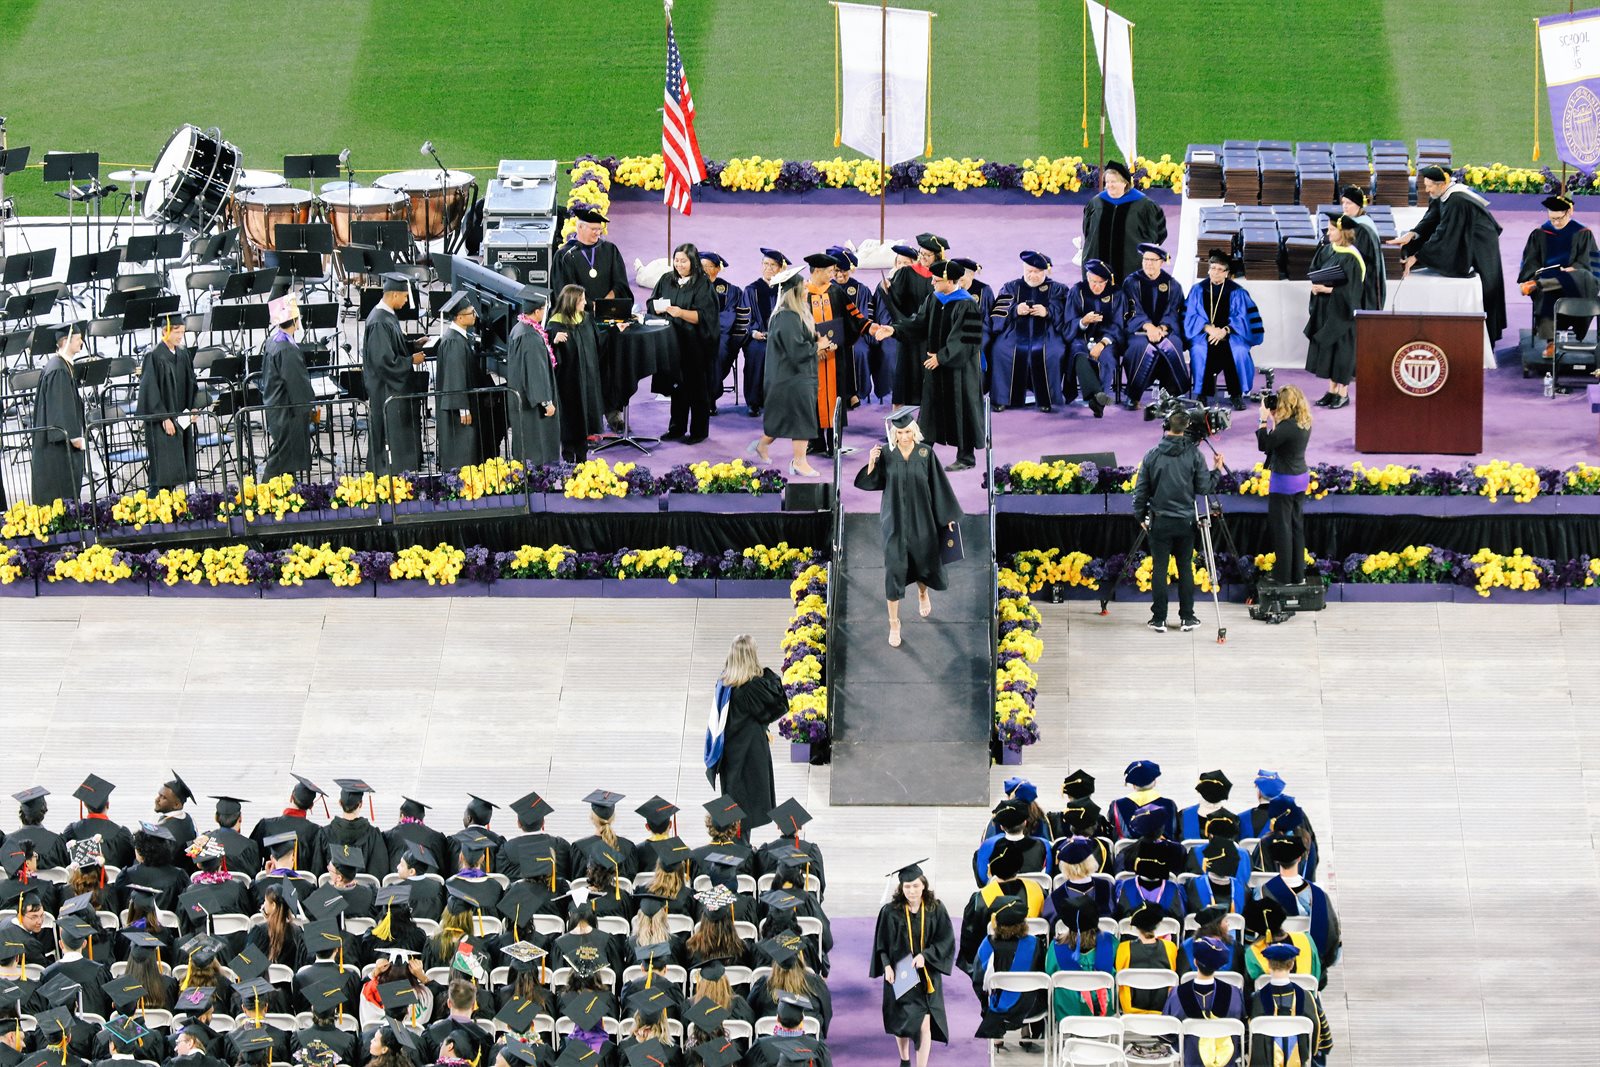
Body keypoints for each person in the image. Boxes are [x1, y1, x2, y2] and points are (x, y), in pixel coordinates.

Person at [853, 408, 963, 647]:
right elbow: (873, 482)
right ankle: (894, 623)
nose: (904, 436)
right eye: (900, 432)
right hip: (894, 522)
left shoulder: (926, 454)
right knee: (894, 570)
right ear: (894, 434)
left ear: (914, 431)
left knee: (922, 562)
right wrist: (872, 461)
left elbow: (938, 486)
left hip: (922, 519)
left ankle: (923, 593)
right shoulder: (887, 454)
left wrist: (948, 517)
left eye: (908, 431)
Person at [875, 260, 984, 469]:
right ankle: (923, 450)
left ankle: (966, 457)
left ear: (950, 281)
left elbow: (966, 339)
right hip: (936, 365)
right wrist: (895, 330)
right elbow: (918, 323)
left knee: (961, 408)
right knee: (931, 407)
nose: (932, 282)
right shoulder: (934, 298)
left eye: (936, 279)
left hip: (960, 370)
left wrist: (941, 357)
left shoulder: (967, 304)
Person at [1391, 164, 1506, 344]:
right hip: (1467, 234)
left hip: (1480, 244)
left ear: (1442, 184)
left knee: (1486, 285)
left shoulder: (1457, 201)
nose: (1426, 190)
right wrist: (1412, 234)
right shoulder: (1442, 195)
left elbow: (1444, 235)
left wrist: (1417, 257)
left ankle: (1486, 336)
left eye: (1430, 186)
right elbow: (1431, 219)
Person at [1132, 410, 1223, 633]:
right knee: (1185, 569)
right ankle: (1187, 618)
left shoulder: (1152, 454)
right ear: (1186, 428)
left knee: (1160, 570)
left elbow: (1141, 490)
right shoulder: (1194, 454)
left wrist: (1140, 515)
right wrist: (1217, 470)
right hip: (1185, 523)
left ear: (1166, 426)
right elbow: (1204, 488)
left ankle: (1159, 619)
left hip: (1159, 522)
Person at [870, 860, 954, 1067]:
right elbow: (882, 943)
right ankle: (905, 1059)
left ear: (924, 885)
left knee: (925, 1024)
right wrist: (886, 966)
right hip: (901, 973)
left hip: (927, 975)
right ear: (901, 888)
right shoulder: (890, 912)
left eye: (916, 885)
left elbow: (946, 939)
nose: (912, 891)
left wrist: (927, 955)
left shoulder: (936, 908)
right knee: (902, 1022)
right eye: (907, 887)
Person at [705, 634, 787, 838]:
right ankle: (742, 853)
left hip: (730, 755)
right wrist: (763, 672)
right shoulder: (753, 687)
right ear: (752, 656)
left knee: (733, 805)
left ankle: (733, 848)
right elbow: (777, 704)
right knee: (746, 809)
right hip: (750, 754)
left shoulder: (724, 683)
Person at [750, 264, 822, 476]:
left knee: (782, 418)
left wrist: (816, 340)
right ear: (795, 292)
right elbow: (796, 351)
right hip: (791, 378)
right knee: (801, 419)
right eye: (804, 287)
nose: (807, 290)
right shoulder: (787, 316)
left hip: (792, 376)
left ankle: (761, 445)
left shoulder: (792, 314)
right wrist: (819, 346)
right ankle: (799, 462)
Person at [650, 242, 721, 444]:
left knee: (697, 389)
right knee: (677, 387)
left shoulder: (702, 284)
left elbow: (705, 316)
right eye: (677, 260)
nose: (679, 264)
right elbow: (651, 302)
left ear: (693, 262)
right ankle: (676, 428)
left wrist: (680, 312)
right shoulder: (667, 279)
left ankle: (698, 432)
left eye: (684, 261)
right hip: (672, 343)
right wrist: (658, 307)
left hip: (696, 345)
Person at [799, 251, 868, 457]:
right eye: (829, 271)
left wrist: (845, 341)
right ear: (818, 271)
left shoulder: (836, 293)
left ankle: (834, 443)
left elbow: (854, 318)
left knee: (835, 398)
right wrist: (812, 347)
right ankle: (817, 441)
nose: (832, 275)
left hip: (835, 358)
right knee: (813, 398)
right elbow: (794, 326)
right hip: (811, 358)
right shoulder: (801, 294)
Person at [1517, 192, 1600, 358]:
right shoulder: (1540, 233)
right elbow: (1531, 261)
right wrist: (1534, 275)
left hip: (1578, 281)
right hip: (1548, 277)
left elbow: (1590, 265)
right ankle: (1551, 343)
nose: (1555, 222)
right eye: (1552, 218)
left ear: (1569, 212)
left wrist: (1574, 268)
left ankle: (1539, 284)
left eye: (1559, 218)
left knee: (1581, 275)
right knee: (1547, 293)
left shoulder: (1583, 232)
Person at [989, 250, 1070, 412]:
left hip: (1048, 333)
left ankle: (1046, 399)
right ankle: (1002, 398)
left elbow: (1067, 314)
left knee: (1053, 352)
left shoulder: (1057, 289)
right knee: (1001, 350)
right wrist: (1015, 310)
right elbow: (997, 314)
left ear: (1045, 271)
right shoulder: (1011, 287)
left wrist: (1048, 312)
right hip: (1014, 332)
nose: (1032, 276)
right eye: (1029, 271)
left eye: (1037, 272)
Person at [1185, 250, 1261, 411]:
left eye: (1220, 269)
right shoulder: (1197, 290)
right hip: (1203, 333)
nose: (1216, 272)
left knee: (1239, 351)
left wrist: (1224, 331)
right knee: (1198, 350)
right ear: (1208, 269)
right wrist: (1208, 329)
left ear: (1227, 273)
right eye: (1213, 268)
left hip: (1231, 334)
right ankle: (1201, 393)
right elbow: (1190, 315)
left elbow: (1243, 318)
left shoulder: (1237, 291)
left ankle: (1236, 394)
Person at [363, 273, 424, 475]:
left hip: (390, 386)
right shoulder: (379, 321)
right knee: (389, 433)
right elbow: (383, 361)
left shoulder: (386, 315)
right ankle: (387, 472)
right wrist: (410, 361)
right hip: (385, 388)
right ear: (395, 295)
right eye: (405, 296)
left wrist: (413, 345)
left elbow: (391, 348)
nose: (407, 300)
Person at [1305, 214, 1364, 409]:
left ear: (1343, 232)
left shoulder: (1352, 257)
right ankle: (1331, 391)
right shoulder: (1327, 250)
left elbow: (1353, 291)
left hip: (1342, 313)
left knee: (1342, 352)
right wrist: (1315, 287)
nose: (1328, 233)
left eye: (1331, 230)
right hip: (1326, 309)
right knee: (1329, 351)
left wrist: (1327, 290)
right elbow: (1316, 271)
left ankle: (1343, 393)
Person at [1121, 243, 1190, 409]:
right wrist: (1148, 327)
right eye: (1145, 259)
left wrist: (1162, 328)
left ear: (1162, 262)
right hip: (1137, 332)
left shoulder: (1172, 285)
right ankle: (1134, 395)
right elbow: (1131, 310)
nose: (1148, 264)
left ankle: (1173, 394)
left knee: (1172, 344)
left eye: (1153, 260)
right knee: (1141, 348)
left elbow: (1174, 312)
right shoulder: (1131, 282)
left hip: (1165, 331)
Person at [1256, 385, 1313, 584]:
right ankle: (1298, 576)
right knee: (1296, 526)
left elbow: (1265, 444)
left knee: (1282, 529)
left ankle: (1283, 577)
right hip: (1300, 477)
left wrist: (1263, 420)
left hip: (1284, 481)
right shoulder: (1303, 422)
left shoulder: (1286, 427)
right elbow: (1281, 440)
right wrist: (1275, 420)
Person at [969, 895, 1045, 1044]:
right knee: (1031, 987)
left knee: (989, 989)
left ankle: (998, 1034)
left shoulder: (988, 943)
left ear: (996, 922)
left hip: (998, 1008)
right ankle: (1026, 1028)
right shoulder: (1035, 944)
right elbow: (1042, 974)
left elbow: (978, 978)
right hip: (1033, 1007)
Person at [137, 313, 200, 490]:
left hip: (182, 416)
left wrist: (194, 407)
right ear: (165, 331)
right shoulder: (154, 355)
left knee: (183, 460)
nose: (180, 336)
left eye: (183, 332)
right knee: (165, 467)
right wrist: (164, 417)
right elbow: (150, 389)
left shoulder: (183, 353)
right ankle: (159, 504)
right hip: (162, 423)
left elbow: (191, 382)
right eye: (177, 332)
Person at [1163, 935, 1245, 1067]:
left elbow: (1168, 1033)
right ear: (1218, 966)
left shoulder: (1177, 993)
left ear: (1195, 962)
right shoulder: (1234, 993)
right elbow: (1241, 1027)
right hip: (1226, 1059)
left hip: (1190, 1059)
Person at [1082, 159, 1168, 284]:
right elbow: (1088, 231)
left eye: (1114, 182)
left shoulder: (1144, 205)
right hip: (1099, 265)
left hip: (1131, 266)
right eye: (1107, 182)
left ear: (1125, 183)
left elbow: (1158, 234)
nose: (1109, 185)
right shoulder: (1096, 203)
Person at [30, 323, 88, 505]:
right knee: (59, 496)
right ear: (65, 341)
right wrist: (73, 437)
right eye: (78, 339)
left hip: (57, 446)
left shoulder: (61, 365)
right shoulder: (58, 370)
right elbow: (60, 407)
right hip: (56, 448)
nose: (82, 342)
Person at [547, 284, 606, 463]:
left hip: (588, 379)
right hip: (568, 382)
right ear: (572, 302)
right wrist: (553, 340)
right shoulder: (556, 324)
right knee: (570, 418)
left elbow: (599, 342)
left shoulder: (586, 319)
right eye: (582, 300)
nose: (585, 303)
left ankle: (582, 455)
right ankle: (568, 456)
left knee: (585, 417)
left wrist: (614, 332)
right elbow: (546, 351)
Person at [1248, 943, 1333, 1066]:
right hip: (1299, 1058)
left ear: (1268, 964)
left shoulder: (1256, 999)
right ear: (1292, 965)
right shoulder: (1307, 997)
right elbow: (1319, 1033)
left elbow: (1248, 1038)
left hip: (1264, 1061)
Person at [503, 285, 561, 467]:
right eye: (544, 309)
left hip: (521, 396)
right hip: (532, 403)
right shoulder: (529, 337)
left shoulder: (519, 329)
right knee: (535, 448)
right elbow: (535, 372)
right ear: (537, 311)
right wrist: (546, 401)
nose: (546, 312)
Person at [260, 294, 316, 479]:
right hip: (288, 411)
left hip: (276, 407)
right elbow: (296, 383)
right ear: (295, 321)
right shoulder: (286, 349)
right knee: (281, 458)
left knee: (286, 460)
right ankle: (263, 494)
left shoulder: (272, 341)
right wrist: (310, 406)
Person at [435, 292, 489, 470]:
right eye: (471, 313)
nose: (475, 316)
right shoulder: (454, 342)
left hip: (462, 404)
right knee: (462, 450)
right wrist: (463, 408)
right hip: (458, 410)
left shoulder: (458, 338)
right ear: (459, 317)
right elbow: (455, 376)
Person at [1064, 259, 1124, 415]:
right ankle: (1097, 397)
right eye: (1093, 281)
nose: (1096, 286)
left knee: (1108, 358)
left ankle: (1097, 400)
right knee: (1078, 353)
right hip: (1080, 337)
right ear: (1087, 278)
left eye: (1101, 282)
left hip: (1107, 339)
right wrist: (1083, 321)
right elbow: (1068, 322)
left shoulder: (1116, 294)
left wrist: (1103, 343)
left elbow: (1119, 324)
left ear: (1107, 281)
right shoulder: (1077, 291)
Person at [882, 240, 935, 405]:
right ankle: (899, 427)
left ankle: (927, 425)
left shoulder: (941, 276)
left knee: (929, 382)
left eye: (928, 254)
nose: (924, 257)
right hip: (908, 333)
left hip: (930, 335)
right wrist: (887, 288)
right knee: (904, 379)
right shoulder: (907, 273)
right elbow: (894, 296)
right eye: (922, 253)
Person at [550, 207, 633, 308]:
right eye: (593, 229)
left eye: (599, 229)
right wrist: (591, 306)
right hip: (579, 315)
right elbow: (564, 291)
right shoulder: (564, 255)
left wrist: (604, 304)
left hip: (608, 311)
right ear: (580, 227)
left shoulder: (610, 249)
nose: (598, 233)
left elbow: (620, 283)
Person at [739, 248, 788, 417]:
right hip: (757, 337)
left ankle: (781, 400)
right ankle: (754, 402)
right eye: (765, 264)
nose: (768, 268)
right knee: (757, 353)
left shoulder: (786, 290)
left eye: (773, 265)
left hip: (781, 337)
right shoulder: (751, 290)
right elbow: (744, 318)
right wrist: (752, 332)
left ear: (781, 268)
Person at [702, 251, 748, 413]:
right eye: (699, 266)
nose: (702, 270)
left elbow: (729, 316)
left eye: (706, 266)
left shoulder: (730, 291)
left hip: (721, 336)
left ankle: (710, 397)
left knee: (718, 351)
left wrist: (708, 328)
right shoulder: (692, 287)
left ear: (717, 269)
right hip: (695, 334)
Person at [1338, 185, 1387, 310]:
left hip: (1366, 282)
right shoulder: (1357, 222)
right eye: (1343, 202)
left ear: (1358, 205)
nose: (1345, 206)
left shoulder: (1362, 227)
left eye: (1349, 203)